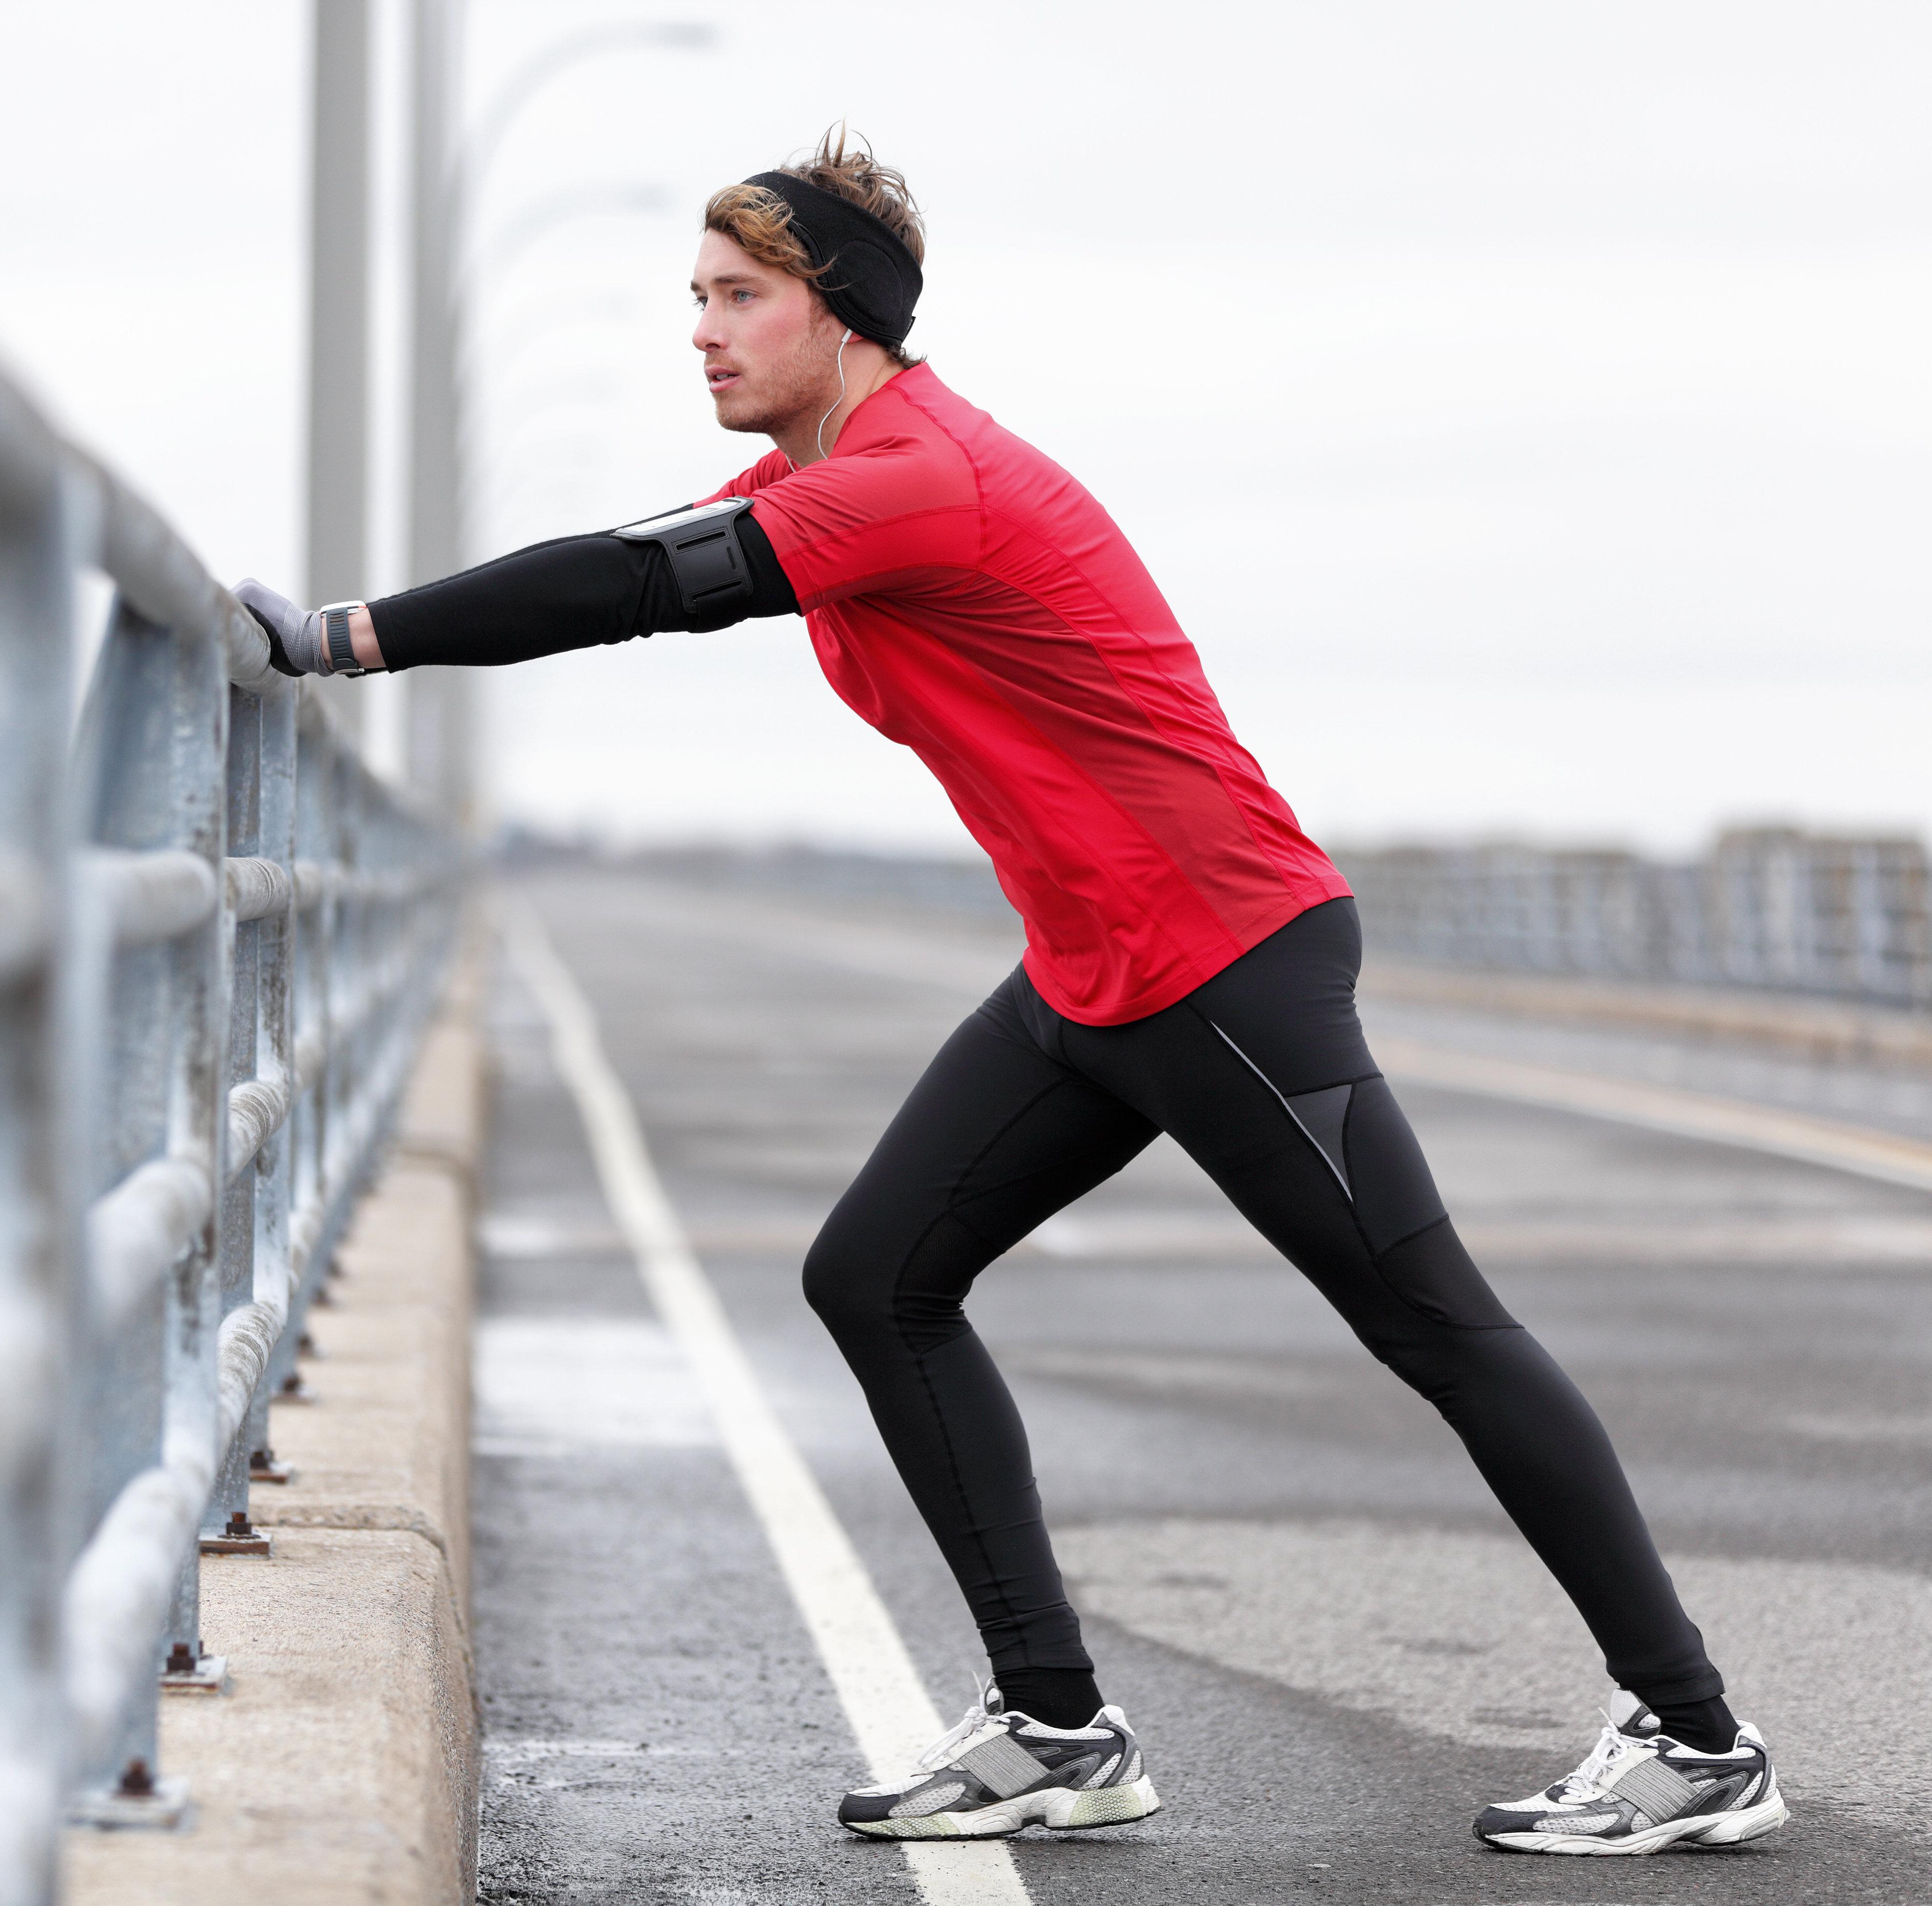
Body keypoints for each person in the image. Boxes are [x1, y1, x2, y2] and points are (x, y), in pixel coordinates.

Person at [236, 130, 1784, 1858]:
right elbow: (627, 553)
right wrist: (362, 630)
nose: (702, 332)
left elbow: (630, 590)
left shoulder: (920, 479)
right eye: (696, 298)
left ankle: (1699, 1741)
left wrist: (343, 639)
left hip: (1223, 959)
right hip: (1094, 969)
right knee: (878, 1278)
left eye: (741, 297)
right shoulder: (819, 482)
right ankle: (1054, 1727)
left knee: (1435, 1325)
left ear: (846, 319)